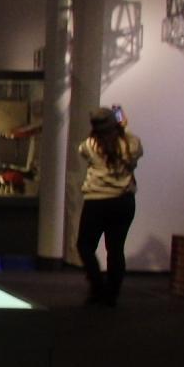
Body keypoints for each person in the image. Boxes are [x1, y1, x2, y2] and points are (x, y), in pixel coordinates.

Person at [76, 106, 144, 305]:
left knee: (85, 245)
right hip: (123, 201)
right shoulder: (130, 143)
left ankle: (97, 286)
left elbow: (81, 149)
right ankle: (112, 295)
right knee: (115, 249)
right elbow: (137, 147)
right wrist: (124, 127)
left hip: (96, 202)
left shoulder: (90, 145)